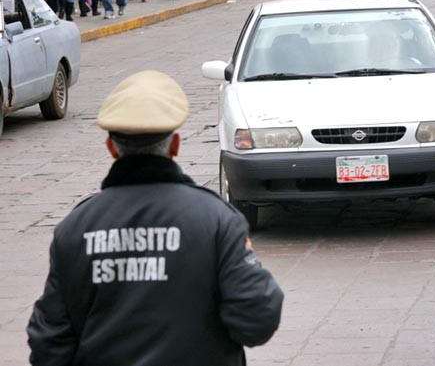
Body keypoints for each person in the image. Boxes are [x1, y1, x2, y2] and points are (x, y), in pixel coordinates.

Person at [26, 70, 285, 366]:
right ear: (175, 146)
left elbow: (48, 343)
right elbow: (257, 319)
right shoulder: (216, 220)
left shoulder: (75, 229)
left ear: (112, 148)